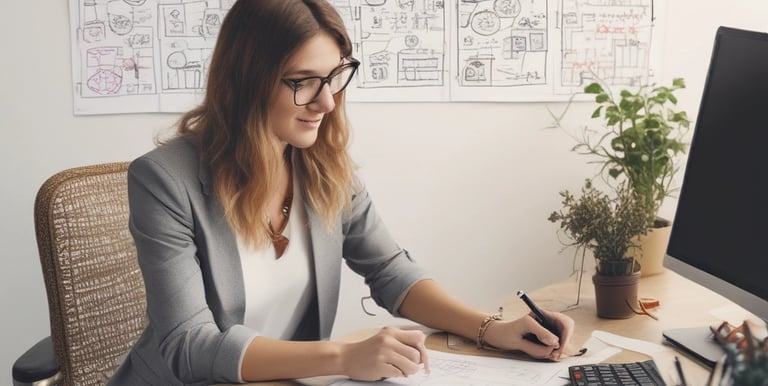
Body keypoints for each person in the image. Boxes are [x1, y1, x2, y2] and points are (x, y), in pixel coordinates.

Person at [109, 0, 576, 384]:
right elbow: (189, 345)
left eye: (335, 75)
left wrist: (492, 329)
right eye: (303, 82)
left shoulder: (322, 163)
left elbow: (391, 270)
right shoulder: (164, 182)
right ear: (244, 81)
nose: (327, 101)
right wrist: (341, 356)